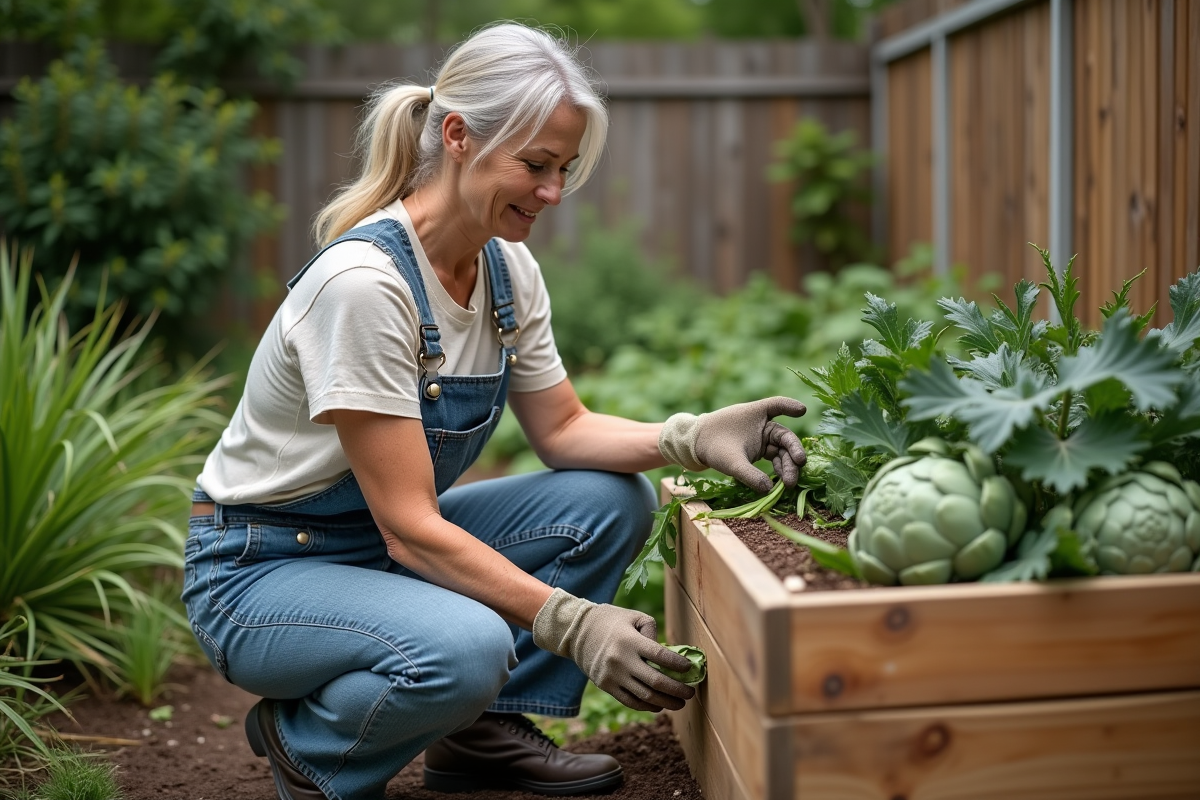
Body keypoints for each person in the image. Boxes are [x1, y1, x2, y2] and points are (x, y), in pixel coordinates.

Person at [182, 22, 807, 800]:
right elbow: (412, 528)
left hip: (373, 550)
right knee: (467, 648)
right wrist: (574, 623)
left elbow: (565, 431)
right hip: (264, 571)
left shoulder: (506, 270)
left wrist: (690, 437)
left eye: (565, 169)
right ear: (457, 136)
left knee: (608, 503)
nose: (553, 192)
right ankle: (311, 746)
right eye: (536, 165)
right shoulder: (366, 287)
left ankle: (482, 737)